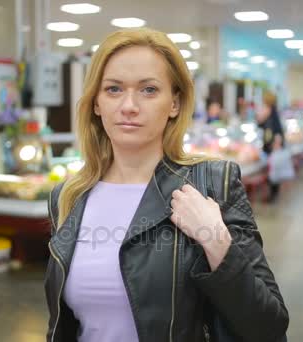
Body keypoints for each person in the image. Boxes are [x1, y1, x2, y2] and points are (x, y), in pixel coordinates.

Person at [45, 28, 288, 342]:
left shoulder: (212, 185)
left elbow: (269, 325)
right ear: (96, 103)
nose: (129, 105)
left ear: (174, 103)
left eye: (148, 90)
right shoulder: (68, 198)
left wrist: (215, 241)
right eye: (114, 89)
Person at [257, 92, 285, 202]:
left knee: (273, 170)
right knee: (272, 170)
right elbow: (260, 124)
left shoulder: (272, 112)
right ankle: (273, 193)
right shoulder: (271, 112)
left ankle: (273, 194)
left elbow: (277, 131)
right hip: (269, 146)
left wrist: (276, 146)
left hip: (272, 147)